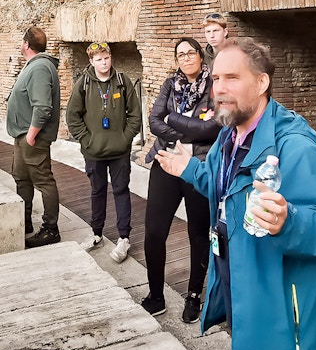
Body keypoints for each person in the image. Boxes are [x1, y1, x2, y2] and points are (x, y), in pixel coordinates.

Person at [155, 37, 316, 350]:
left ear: (261, 83)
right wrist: (189, 169)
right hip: (245, 296)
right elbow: (224, 185)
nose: (219, 89)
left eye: (232, 78)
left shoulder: (294, 146)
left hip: (285, 317)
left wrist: (286, 221)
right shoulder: (231, 135)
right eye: (215, 79)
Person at [142, 37, 220, 323]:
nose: (186, 58)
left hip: (196, 167)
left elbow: (213, 128)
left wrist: (172, 120)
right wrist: (190, 129)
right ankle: (155, 296)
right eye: (180, 55)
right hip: (165, 163)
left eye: (190, 53)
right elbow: (153, 121)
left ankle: (194, 296)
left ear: (201, 56)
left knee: (198, 235)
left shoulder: (214, 86)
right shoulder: (169, 85)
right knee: (154, 232)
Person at [66, 42, 141, 263]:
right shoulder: (84, 83)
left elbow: (135, 114)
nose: (104, 63)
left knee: (121, 191)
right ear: (91, 61)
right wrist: (87, 140)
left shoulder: (122, 81)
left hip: (119, 151)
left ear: (111, 57)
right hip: (94, 151)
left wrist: (126, 138)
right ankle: (96, 233)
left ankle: (123, 237)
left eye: (106, 58)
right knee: (97, 191)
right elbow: (73, 116)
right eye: (98, 59)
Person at [7, 26, 61, 247]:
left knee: (43, 181)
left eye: (22, 41)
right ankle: (25, 222)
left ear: (27, 44)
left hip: (32, 138)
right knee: (21, 178)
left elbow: (43, 107)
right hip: (22, 136)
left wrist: (31, 135)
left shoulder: (40, 67)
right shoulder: (34, 65)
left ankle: (50, 229)